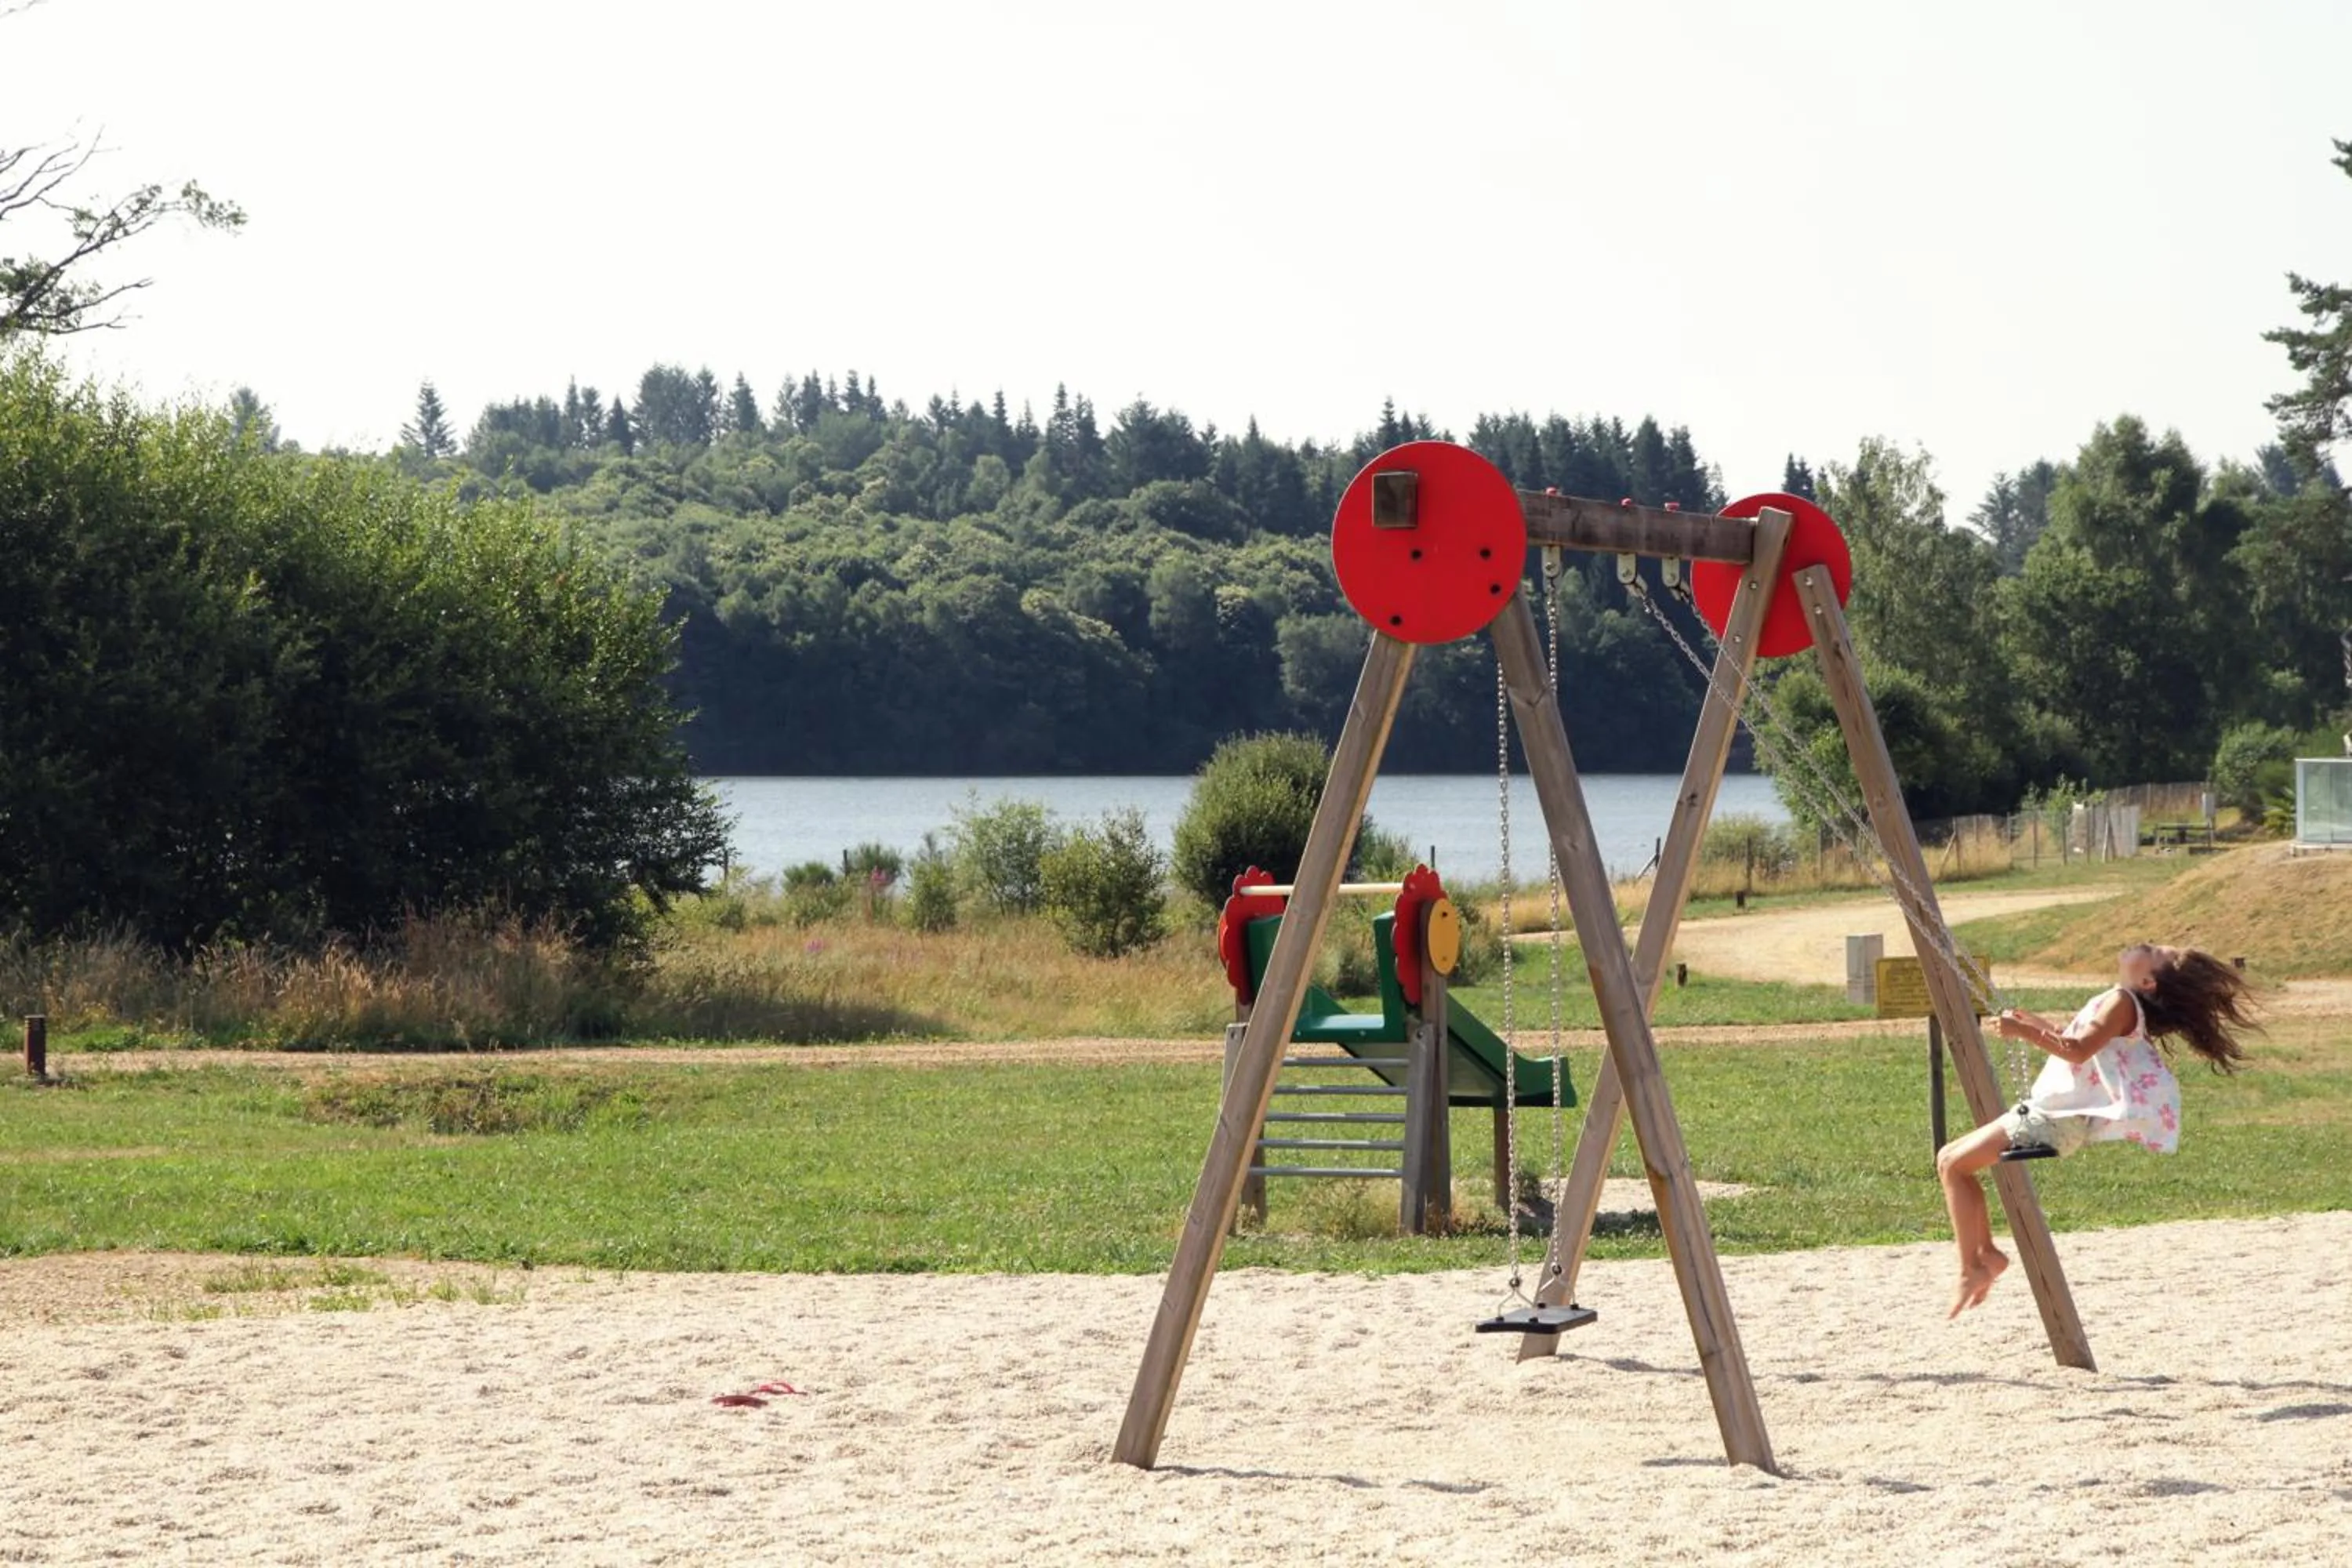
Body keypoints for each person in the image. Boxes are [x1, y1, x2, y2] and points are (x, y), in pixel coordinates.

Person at [1936, 943, 2256, 1318]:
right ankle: (1985, 1253)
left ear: (2148, 980)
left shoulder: (2122, 1001)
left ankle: (1971, 1266)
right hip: (2055, 1114)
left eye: (2156, 952)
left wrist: (2022, 1031)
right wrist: (2037, 1025)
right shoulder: (2120, 1003)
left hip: (2057, 1119)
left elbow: (2076, 1050)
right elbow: (2068, 1037)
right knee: (1948, 1160)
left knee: (1955, 1167)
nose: (2148, 945)